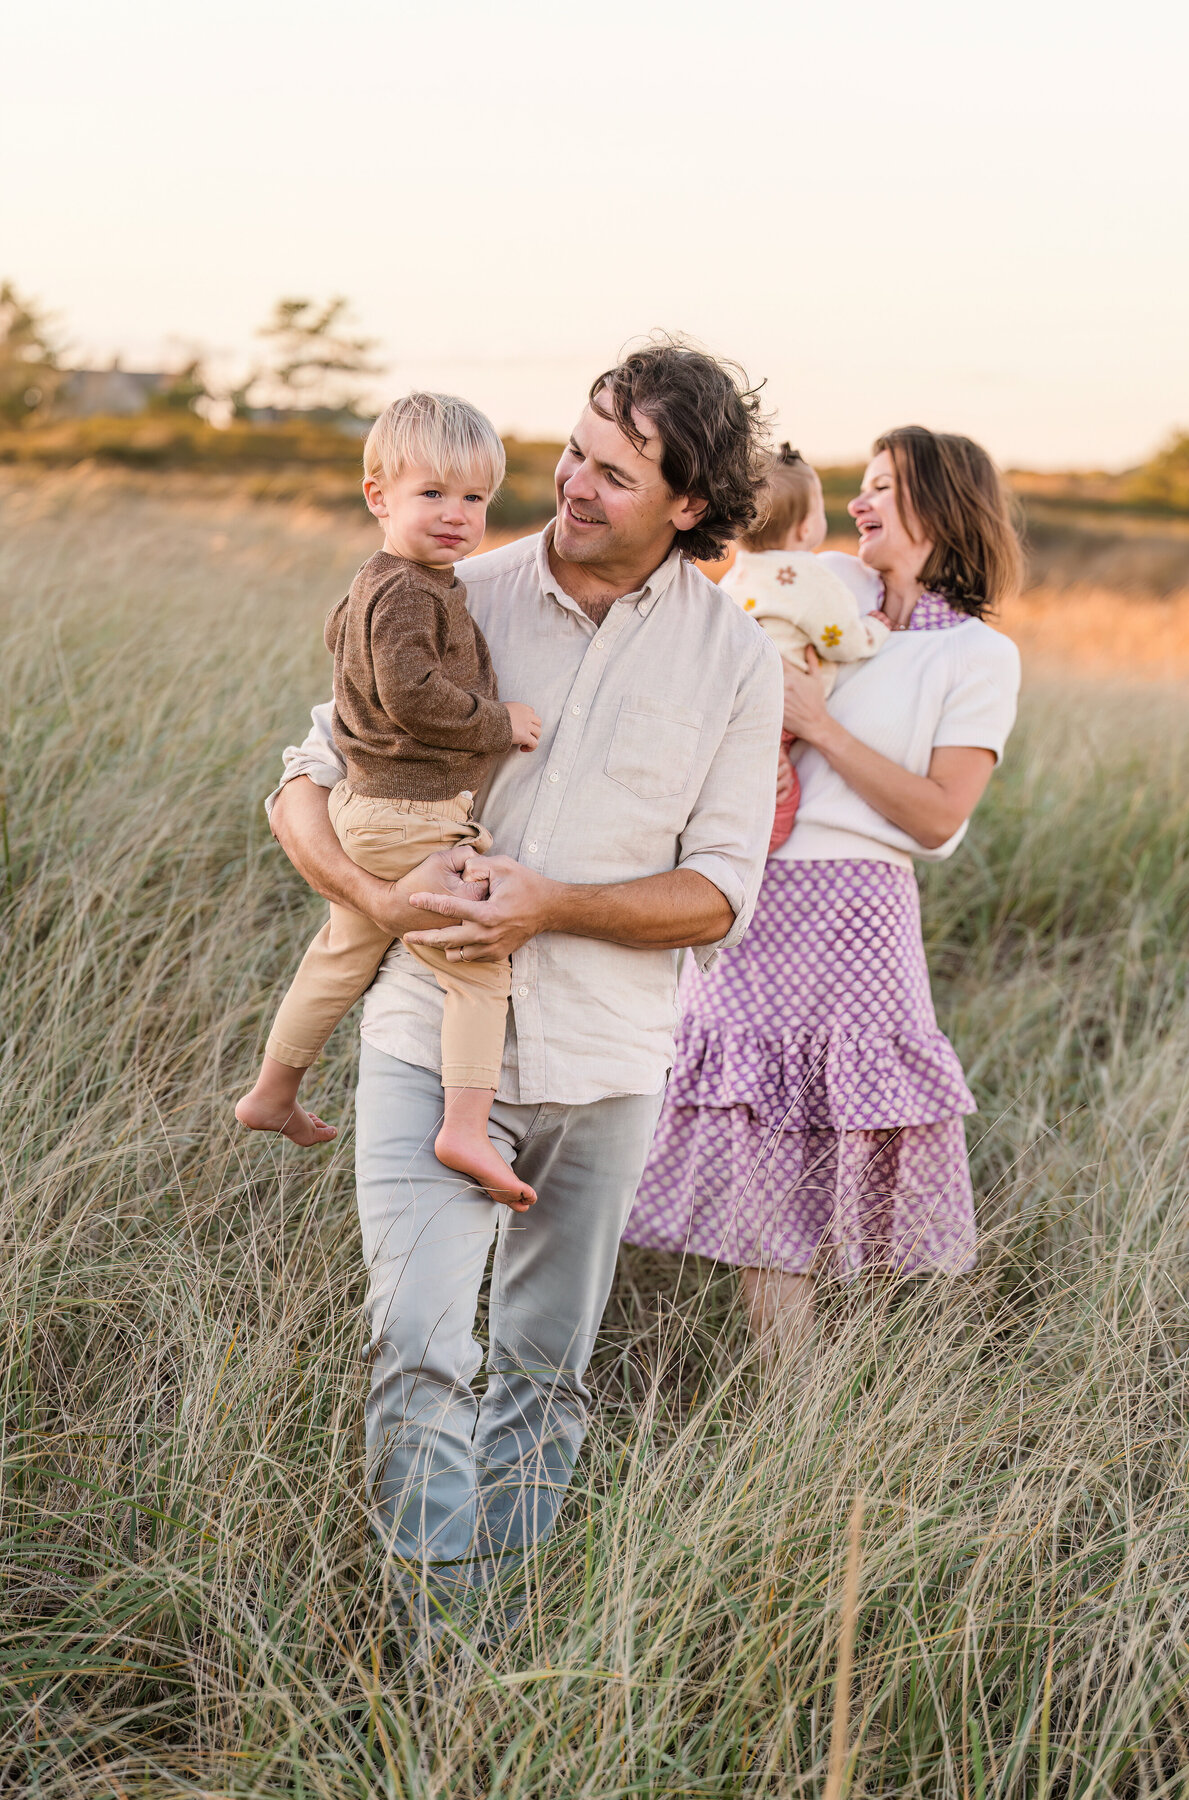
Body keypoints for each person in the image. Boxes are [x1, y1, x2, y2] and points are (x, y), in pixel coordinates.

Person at [262, 339, 782, 1628]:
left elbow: (723, 888)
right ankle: (431, 1649)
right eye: (575, 451)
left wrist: (553, 904)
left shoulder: (736, 657)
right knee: (422, 1348)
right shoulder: (447, 588)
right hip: (426, 1035)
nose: (573, 484)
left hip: (608, 1068)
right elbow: (298, 782)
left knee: (545, 1373)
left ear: (692, 506)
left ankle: (498, 1633)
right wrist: (377, 900)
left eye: (613, 473)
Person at [623, 426, 1023, 1352]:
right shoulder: (827, 581)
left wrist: (824, 730)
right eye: (861, 484)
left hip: (858, 911)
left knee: (846, 1131)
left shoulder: (975, 655)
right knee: (759, 1133)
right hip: (752, 893)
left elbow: (937, 820)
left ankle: (858, 1406)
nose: (858, 502)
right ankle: (789, 1394)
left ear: (940, 503)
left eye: (883, 486)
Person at [236, 393, 544, 1206]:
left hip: (369, 809)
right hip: (408, 815)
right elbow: (409, 695)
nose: (457, 515)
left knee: (342, 954)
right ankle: (466, 1128)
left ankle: (272, 1092)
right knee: (479, 966)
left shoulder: (377, 583)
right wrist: (495, 723)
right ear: (379, 496)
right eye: (432, 494)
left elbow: (350, 660)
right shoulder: (411, 589)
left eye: (474, 498)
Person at [720, 446, 889, 850]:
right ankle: (756, 852)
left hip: (731, 706)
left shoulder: (739, 570)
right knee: (780, 793)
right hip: (778, 709)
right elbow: (842, 640)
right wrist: (875, 629)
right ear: (803, 529)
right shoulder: (811, 577)